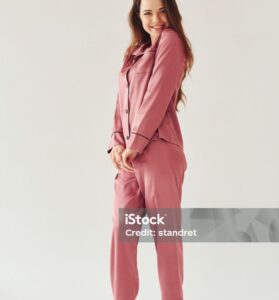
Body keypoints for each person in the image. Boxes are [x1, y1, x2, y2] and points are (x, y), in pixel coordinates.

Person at [107, 0, 193, 299]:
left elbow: (157, 95)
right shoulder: (135, 54)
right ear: (137, 16)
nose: (155, 18)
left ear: (172, 12)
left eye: (161, 10)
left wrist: (135, 142)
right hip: (130, 157)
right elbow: (122, 105)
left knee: (166, 239)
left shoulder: (171, 41)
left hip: (159, 152)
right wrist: (116, 143)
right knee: (122, 236)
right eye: (147, 12)